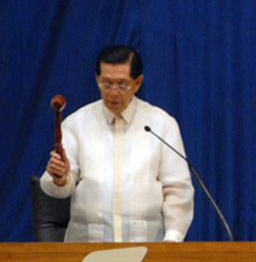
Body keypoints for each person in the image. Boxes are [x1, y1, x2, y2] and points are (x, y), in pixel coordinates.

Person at [41, 45, 194, 242]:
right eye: (106, 84)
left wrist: (173, 239)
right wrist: (61, 179)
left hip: (148, 247)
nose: (113, 93)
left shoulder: (161, 125)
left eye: (122, 85)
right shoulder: (77, 123)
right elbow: (58, 188)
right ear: (97, 79)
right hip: (86, 246)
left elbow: (177, 190)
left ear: (138, 83)